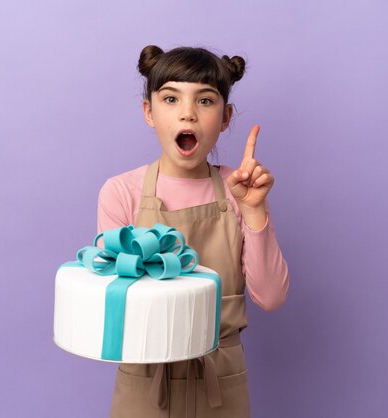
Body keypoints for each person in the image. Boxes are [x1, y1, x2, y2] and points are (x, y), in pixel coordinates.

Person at [97, 45, 290, 418]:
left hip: (220, 376)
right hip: (148, 378)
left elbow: (271, 297)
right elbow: (118, 302)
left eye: (205, 100)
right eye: (170, 98)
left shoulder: (240, 191)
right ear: (148, 112)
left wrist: (253, 210)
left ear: (225, 117)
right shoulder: (121, 193)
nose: (188, 112)